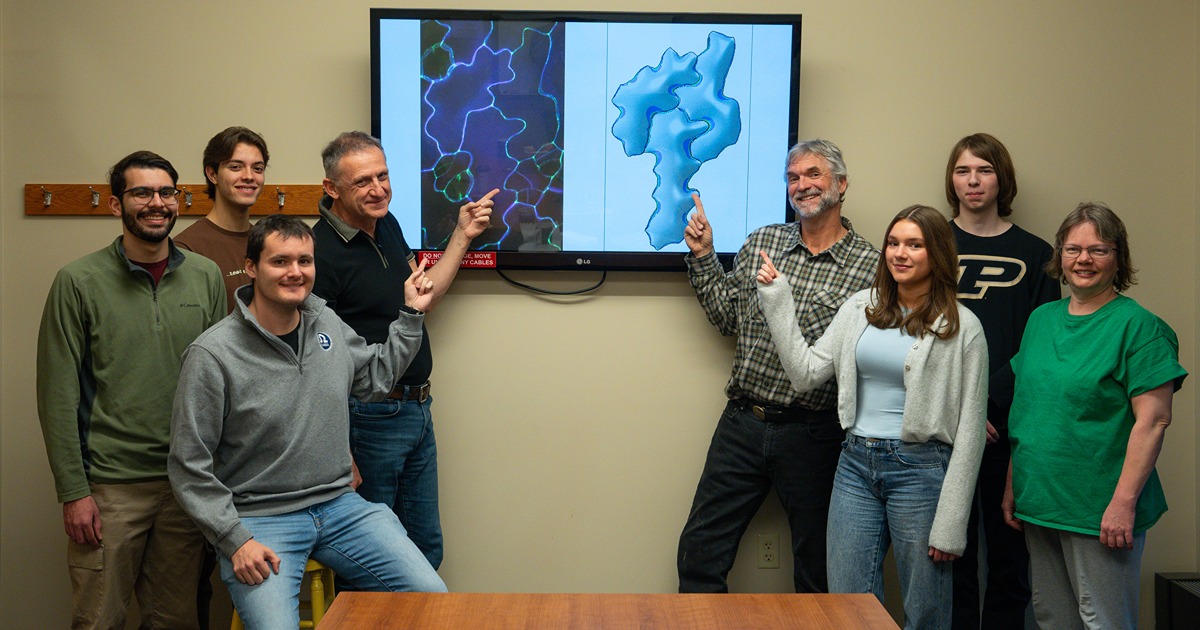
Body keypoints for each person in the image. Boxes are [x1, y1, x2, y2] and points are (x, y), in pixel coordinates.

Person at [168, 215, 447, 630]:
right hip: (261, 520)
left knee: (432, 599)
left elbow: (374, 380)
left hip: (341, 507)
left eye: (305, 261)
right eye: (280, 261)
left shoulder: (326, 323)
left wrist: (410, 316)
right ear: (251, 267)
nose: (295, 272)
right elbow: (188, 466)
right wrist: (234, 540)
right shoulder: (213, 355)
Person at [758, 205, 988, 629]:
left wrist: (952, 524)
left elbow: (972, 431)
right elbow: (805, 374)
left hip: (921, 470)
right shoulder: (860, 308)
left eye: (914, 245)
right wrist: (777, 299)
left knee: (926, 608)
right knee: (848, 603)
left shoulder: (963, 326)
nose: (900, 253)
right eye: (894, 243)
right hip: (855, 465)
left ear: (936, 254)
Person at [677, 139, 878, 593]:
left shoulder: (871, 266)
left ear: (841, 185)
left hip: (815, 434)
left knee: (819, 568)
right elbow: (727, 319)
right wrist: (705, 256)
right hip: (743, 423)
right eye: (793, 177)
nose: (802, 185)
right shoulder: (763, 242)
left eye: (813, 175)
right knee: (700, 554)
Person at [36, 150, 225, 629]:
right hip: (110, 491)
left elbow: (223, 383)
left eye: (166, 192)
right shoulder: (78, 282)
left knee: (176, 621)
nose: (156, 203)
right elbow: (57, 397)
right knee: (98, 620)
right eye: (141, 192)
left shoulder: (204, 277)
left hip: (184, 486)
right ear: (115, 205)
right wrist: (73, 491)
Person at [311, 131, 496, 571]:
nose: (378, 189)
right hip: (367, 419)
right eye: (362, 182)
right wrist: (341, 451)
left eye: (383, 175)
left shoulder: (387, 224)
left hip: (416, 409)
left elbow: (424, 296)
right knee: (372, 558)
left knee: (425, 548)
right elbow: (316, 365)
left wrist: (462, 234)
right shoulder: (318, 253)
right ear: (331, 189)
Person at [1004, 203, 1186, 629]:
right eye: (1073, 249)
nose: (1083, 259)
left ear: (1118, 257)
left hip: (1099, 510)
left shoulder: (1140, 327)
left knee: (1102, 621)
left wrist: (1122, 505)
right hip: (1041, 501)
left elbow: (1154, 421)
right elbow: (1031, 409)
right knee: (1053, 619)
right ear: (1060, 257)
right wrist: (1014, 484)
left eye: (1098, 250)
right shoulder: (1040, 320)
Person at [947, 133, 1059, 629]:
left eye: (985, 170)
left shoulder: (1037, 254)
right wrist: (961, 409)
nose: (974, 181)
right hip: (944, 423)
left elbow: (1042, 342)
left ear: (1002, 179)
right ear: (952, 180)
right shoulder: (929, 244)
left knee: (1011, 554)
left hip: (1009, 427)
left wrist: (988, 405)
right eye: (964, 170)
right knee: (951, 553)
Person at [175, 126, 269, 313]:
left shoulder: (266, 241)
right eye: (235, 167)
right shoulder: (186, 249)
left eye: (257, 168)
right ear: (212, 174)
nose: (249, 176)